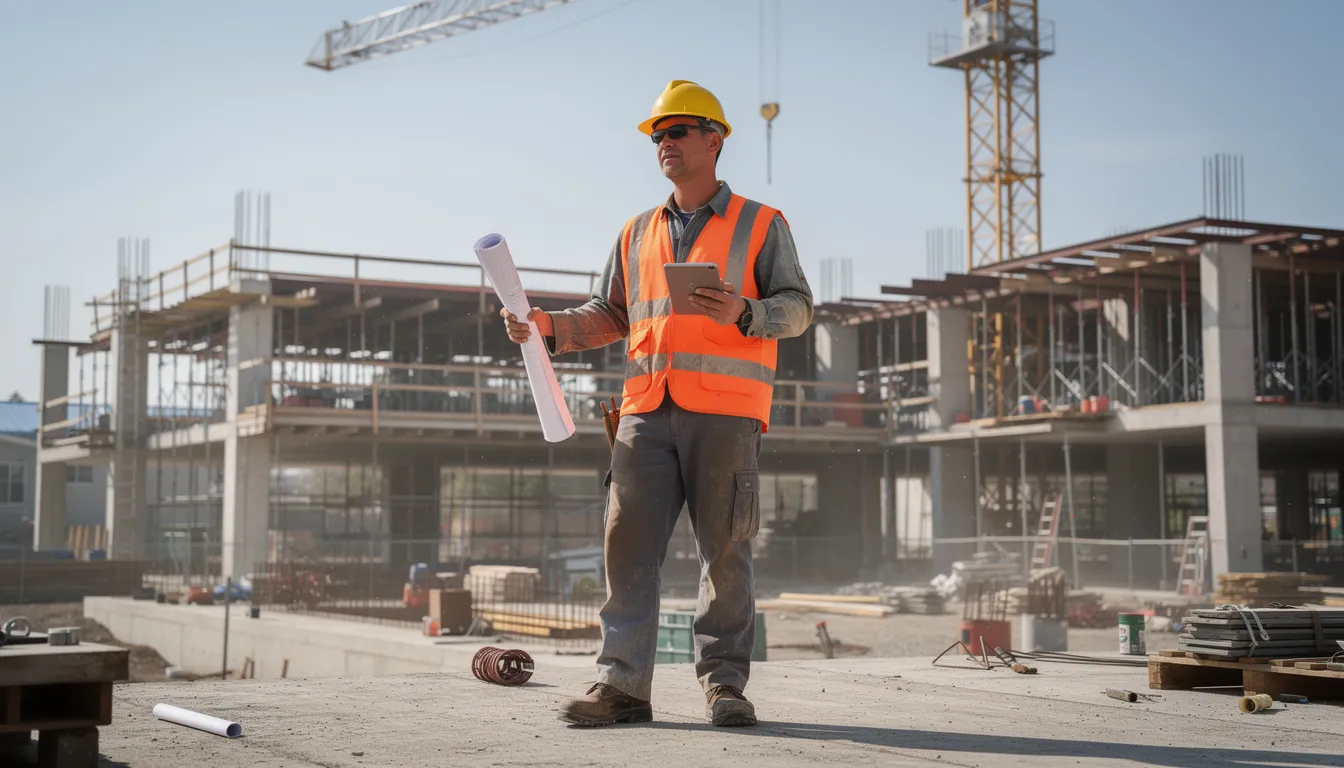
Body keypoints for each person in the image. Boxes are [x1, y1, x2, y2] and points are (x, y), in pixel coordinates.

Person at [500, 80, 813, 727]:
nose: (663, 144)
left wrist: (744, 310)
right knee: (627, 545)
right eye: (655, 136)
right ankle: (622, 688)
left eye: (675, 131)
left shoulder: (761, 224)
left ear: (714, 139)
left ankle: (725, 685)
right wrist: (548, 327)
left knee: (725, 551)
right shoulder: (636, 231)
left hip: (726, 412)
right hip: (645, 408)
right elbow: (611, 313)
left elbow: (799, 309)